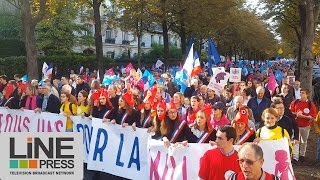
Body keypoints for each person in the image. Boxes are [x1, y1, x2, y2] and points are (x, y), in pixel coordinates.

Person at [289, 88, 317, 164]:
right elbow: (290, 112)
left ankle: (302, 155)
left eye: (303, 93)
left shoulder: (310, 104)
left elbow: (313, 116)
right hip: (296, 126)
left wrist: (303, 116)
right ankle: (295, 157)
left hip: (305, 126)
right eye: (301, 92)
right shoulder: (295, 102)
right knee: (295, 141)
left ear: (307, 94)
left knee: (304, 141)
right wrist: (296, 114)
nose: (301, 94)